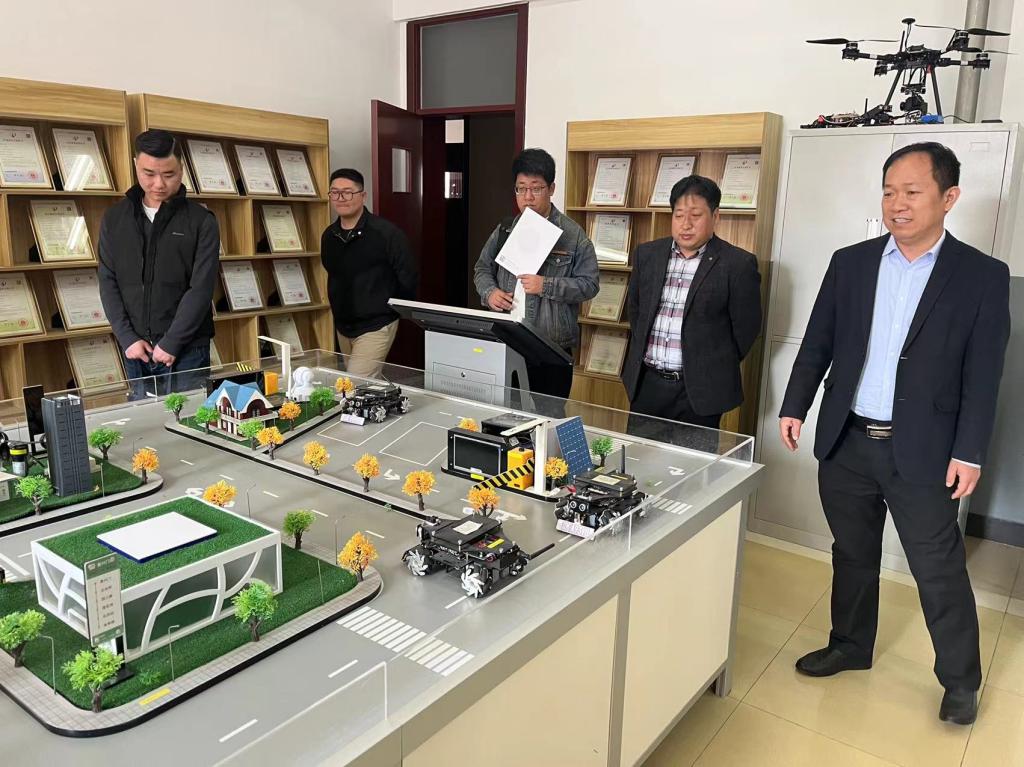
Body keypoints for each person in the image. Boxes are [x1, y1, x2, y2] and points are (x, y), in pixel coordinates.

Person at [778, 142, 1010, 726]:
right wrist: (795, 405)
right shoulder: (851, 263)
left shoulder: (982, 276)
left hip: (926, 452)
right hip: (848, 441)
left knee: (938, 568)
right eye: (888, 191)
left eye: (912, 192)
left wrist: (970, 451)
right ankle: (850, 645)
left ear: (948, 198)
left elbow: (984, 376)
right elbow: (818, 342)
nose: (896, 204)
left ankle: (960, 680)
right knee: (852, 553)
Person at [622, 175, 761, 437]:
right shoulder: (648, 254)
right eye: (678, 215)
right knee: (639, 458)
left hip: (700, 391)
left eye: (695, 215)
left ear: (715, 216)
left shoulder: (737, 264)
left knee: (692, 462)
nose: (686, 224)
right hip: (648, 384)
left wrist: (709, 364)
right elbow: (637, 311)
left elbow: (746, 330)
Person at [98, 130, 219, 398]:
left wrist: (172, 342)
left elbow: (201, 288)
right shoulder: (114, 219)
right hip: (136, 349)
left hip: (188, 350)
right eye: (149, 174)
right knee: (143, 419)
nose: (159, 184)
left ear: (182, 168)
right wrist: (127, 338)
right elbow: (108, 280)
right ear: (136, 165)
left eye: (169, 174)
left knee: (191, 418)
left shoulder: (201, 221)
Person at [473, 148, 599, 401]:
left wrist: (546, 285)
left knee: (548, 414)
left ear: (551, 189)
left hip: (551, 347)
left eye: (536, 188)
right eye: (521, 189)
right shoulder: (506, 229)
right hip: (507, 340)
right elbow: (482, 269)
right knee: (506, 412)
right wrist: (490, 293)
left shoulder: (573, 235)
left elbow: (589, 285)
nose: (527, 197)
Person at [320, 168, 417, 379]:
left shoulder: (386, 234)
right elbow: (332, 274)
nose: (340, 198)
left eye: (347, 192)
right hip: (343, 325)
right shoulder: (329, 236)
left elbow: (407, 278)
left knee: (355, 383)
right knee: (361, 385)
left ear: (363, 196)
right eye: (335, 193)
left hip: (377, 324)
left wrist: (388, 309)